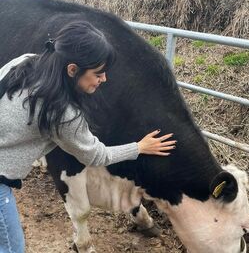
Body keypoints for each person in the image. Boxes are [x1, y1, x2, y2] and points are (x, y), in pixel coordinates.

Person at [0, 21, 176, 253]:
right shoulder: (62, 113)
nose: (104, 79)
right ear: (72, 70)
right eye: (98, 73)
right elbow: (95, 155)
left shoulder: (25, 62)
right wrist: (139, 147)